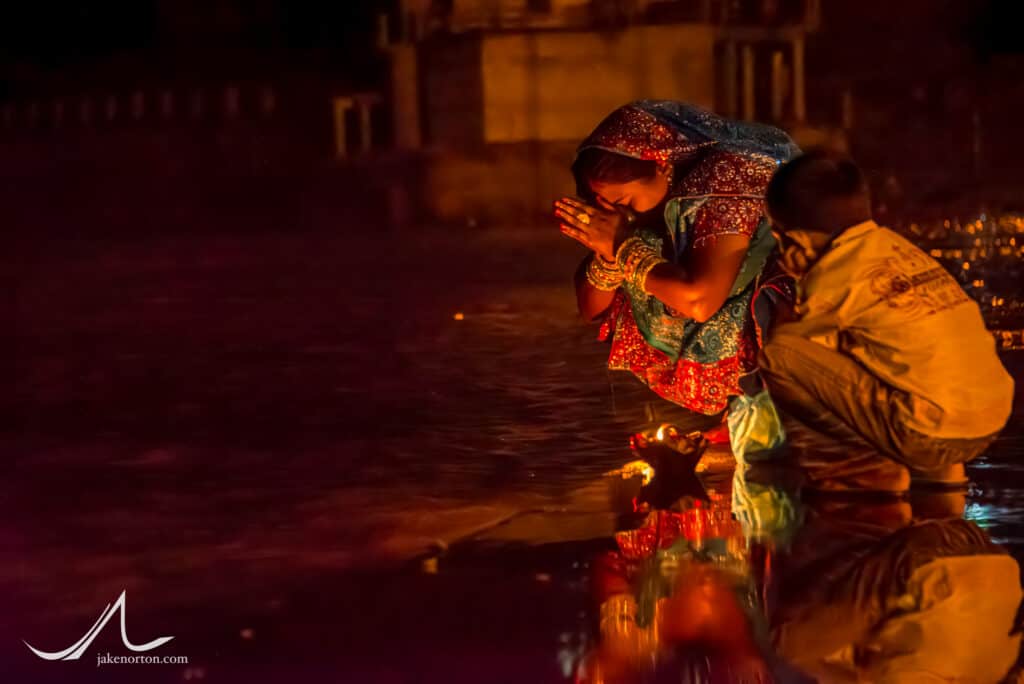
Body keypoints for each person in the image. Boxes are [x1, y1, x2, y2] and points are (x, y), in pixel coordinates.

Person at [759, 150, 1014, 491]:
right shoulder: (897, 248)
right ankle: (943, 475)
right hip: (990, 417)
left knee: (781, 353)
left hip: (928, 433)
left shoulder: (832, 275)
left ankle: (864, 468)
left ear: (796, 239)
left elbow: (807, 360)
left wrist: (793, 299)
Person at [555, 101, 799, 439]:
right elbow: (591, 308)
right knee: (647, 258)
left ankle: (778, 417)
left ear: (661, 165)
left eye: (623, 203)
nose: (619, 216)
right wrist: (609, 254)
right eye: (604, 206)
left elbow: (700, 301)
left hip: (811, 318)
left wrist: (623, 248)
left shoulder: (730, 173)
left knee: (653, 263)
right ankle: (751, 414)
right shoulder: (654, 214)